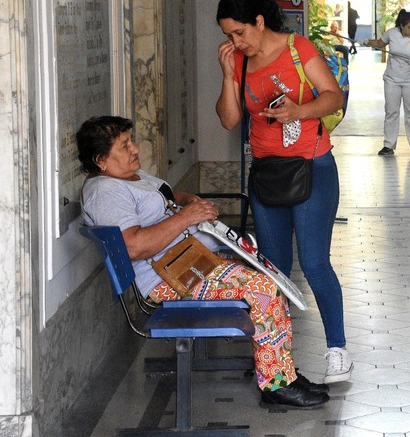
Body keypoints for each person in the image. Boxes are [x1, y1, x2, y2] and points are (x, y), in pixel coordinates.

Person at [77, 116, 329, 409]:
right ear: (101, 160)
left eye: (131, 140)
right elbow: (133, 246)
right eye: (124, 145)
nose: (135, 148)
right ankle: (277, 385)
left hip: (191, 262)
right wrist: (187, 217)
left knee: (267, 273)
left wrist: (190, 202)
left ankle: (280, 369)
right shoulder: (105, 192)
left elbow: (165, 195)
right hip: (170, 279)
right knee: (262, 289)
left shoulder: (129, 176)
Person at [215, 0, 354, 383]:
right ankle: (276, 360)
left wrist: (299, 110)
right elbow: (228, 119)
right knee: (271, 269)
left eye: (240, 33)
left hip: (311, 168)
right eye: (229, 36)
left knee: (312, 262)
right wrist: (228, 76)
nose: (236, 43)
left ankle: (338, 352)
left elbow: (332, 97)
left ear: (260, 21)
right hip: (266, 174)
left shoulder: (298, 48)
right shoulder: (238, 62)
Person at [367, 9, 410, 156]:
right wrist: (366, 42)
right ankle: (388, 146)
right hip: (392, 79)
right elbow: (379, 43)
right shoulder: (391, 34)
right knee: (391, 112)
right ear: (401, 26)